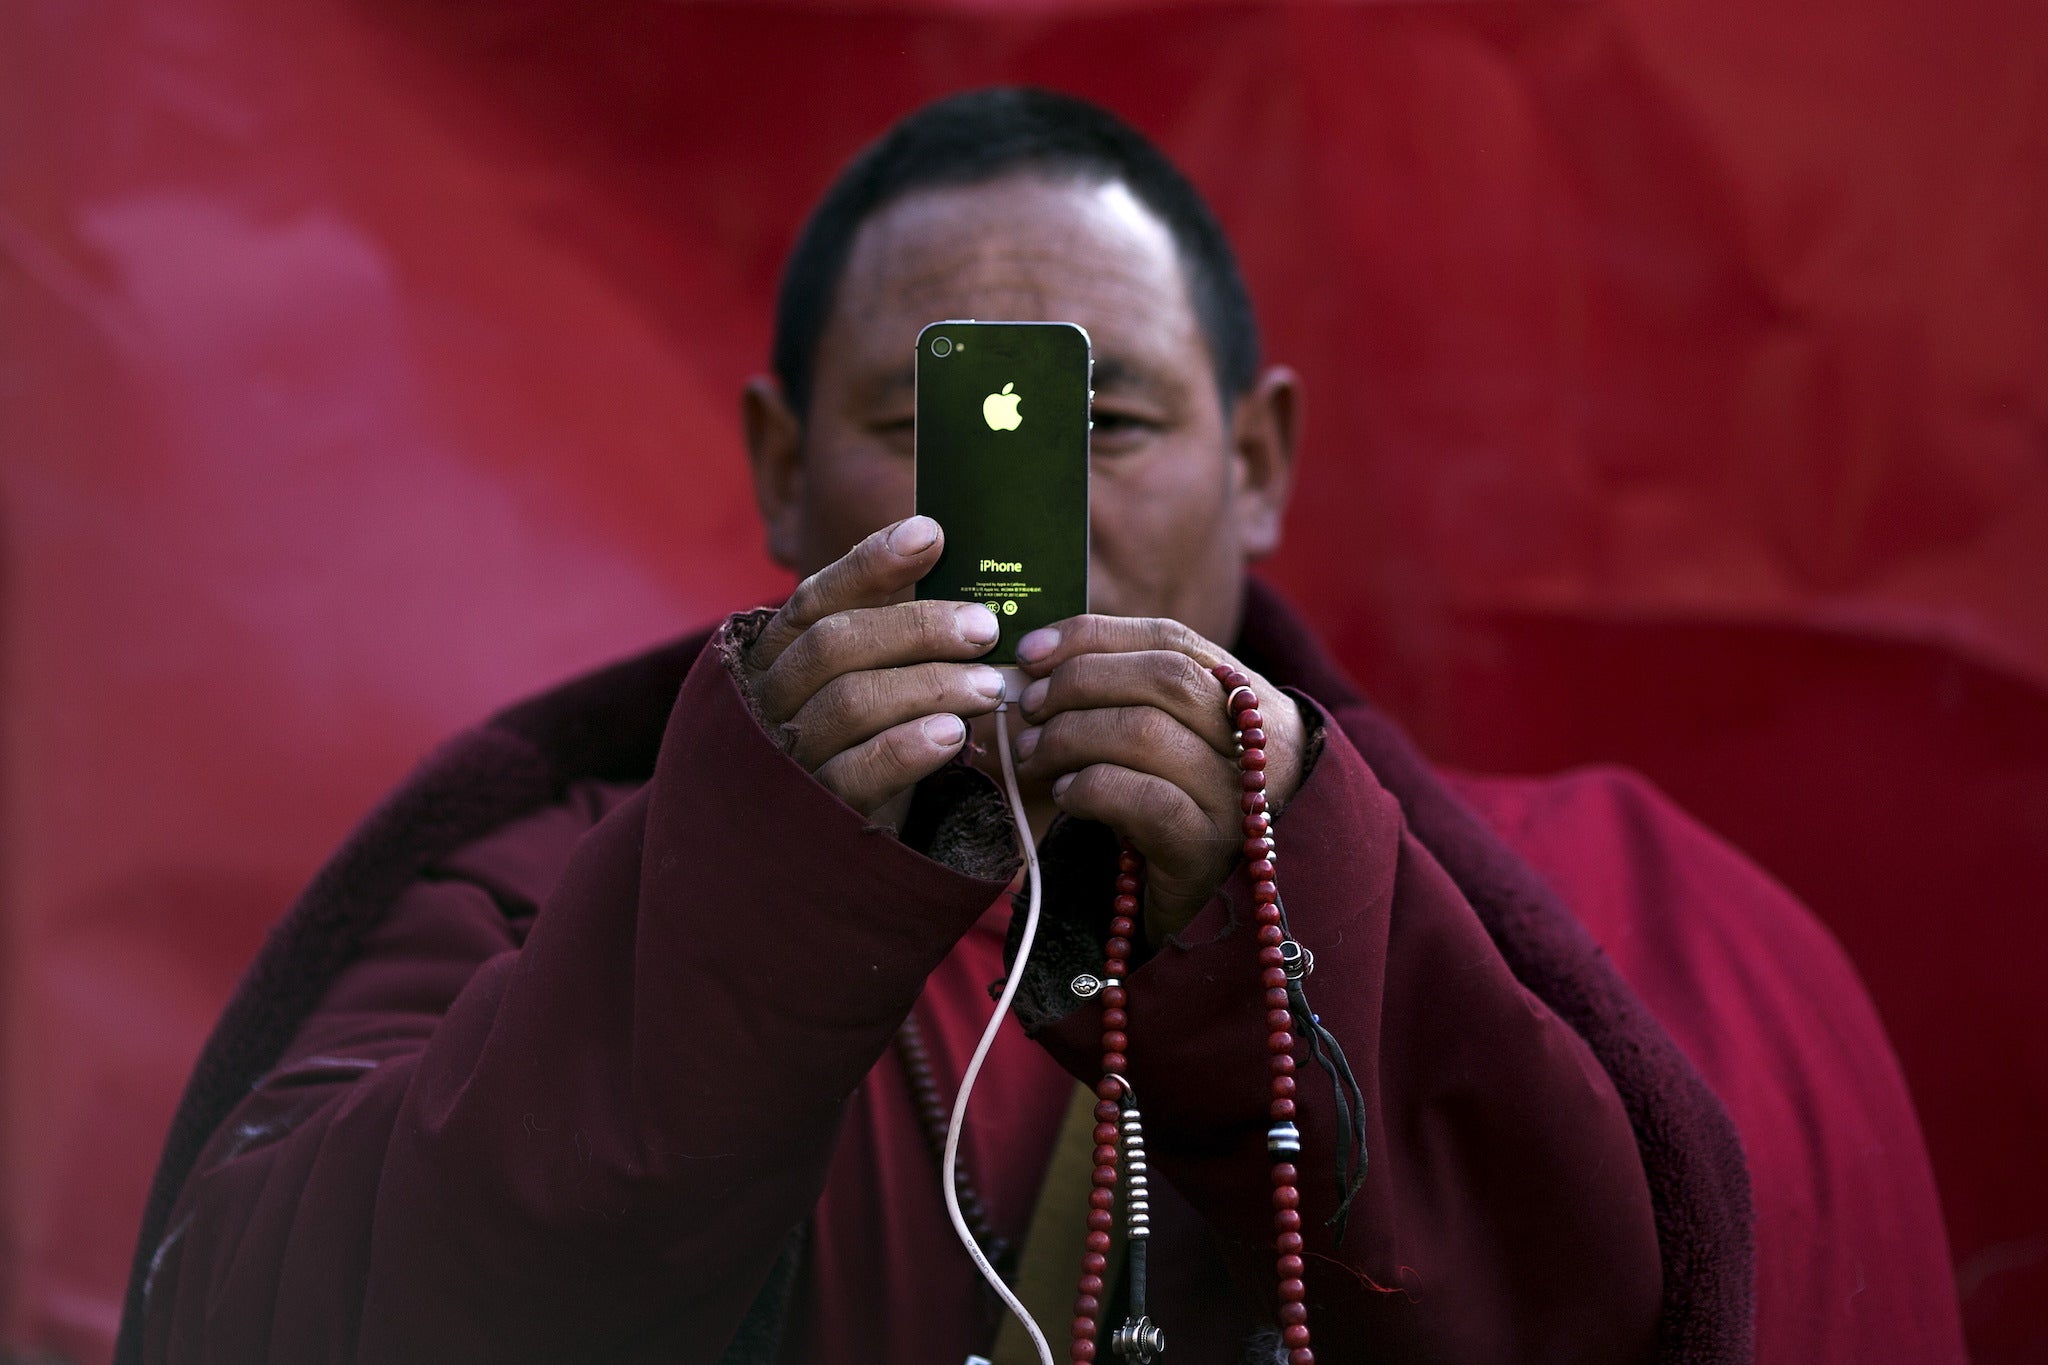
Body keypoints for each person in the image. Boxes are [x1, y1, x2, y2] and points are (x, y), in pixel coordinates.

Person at [117, 88, 1963, 1365]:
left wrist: (1274, 875)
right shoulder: (564, 877)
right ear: (778, 468)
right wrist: (753, 881)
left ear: (1261, 466)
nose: (1036, 509)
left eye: (1120, 417)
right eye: (939, 419)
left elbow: (1665, 1301)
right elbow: (269, 1316)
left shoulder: (1613, 890)